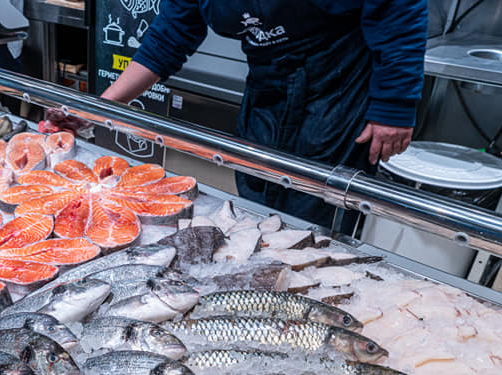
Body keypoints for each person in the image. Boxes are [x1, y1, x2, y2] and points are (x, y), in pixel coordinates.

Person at [102, 1, 429, 227]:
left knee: (314, 205)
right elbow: (167, 39)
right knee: (256, 186)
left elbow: (399, 11)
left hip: (338, 81)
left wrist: (394, 107)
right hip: (268, 80)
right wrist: (102, 106)